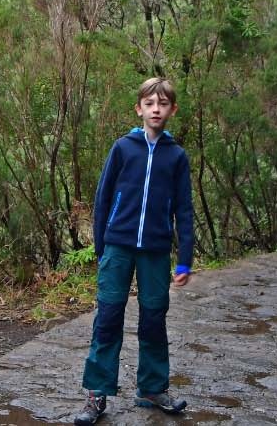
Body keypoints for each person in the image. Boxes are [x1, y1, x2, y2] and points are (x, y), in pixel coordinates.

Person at [74, 77, 194, 426]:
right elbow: (103, 199)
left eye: (163, 104)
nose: (156, 109)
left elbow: (184, 211)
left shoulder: (176, 156)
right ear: (139, 108)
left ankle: (153, 388)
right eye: (150, 103)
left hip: (156, 251)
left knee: (154, 320)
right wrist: (102, 248)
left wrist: (184, 258)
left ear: (172, 109)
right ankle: (97, 393)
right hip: (118, 247)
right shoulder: (123, 148)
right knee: (108, 318)